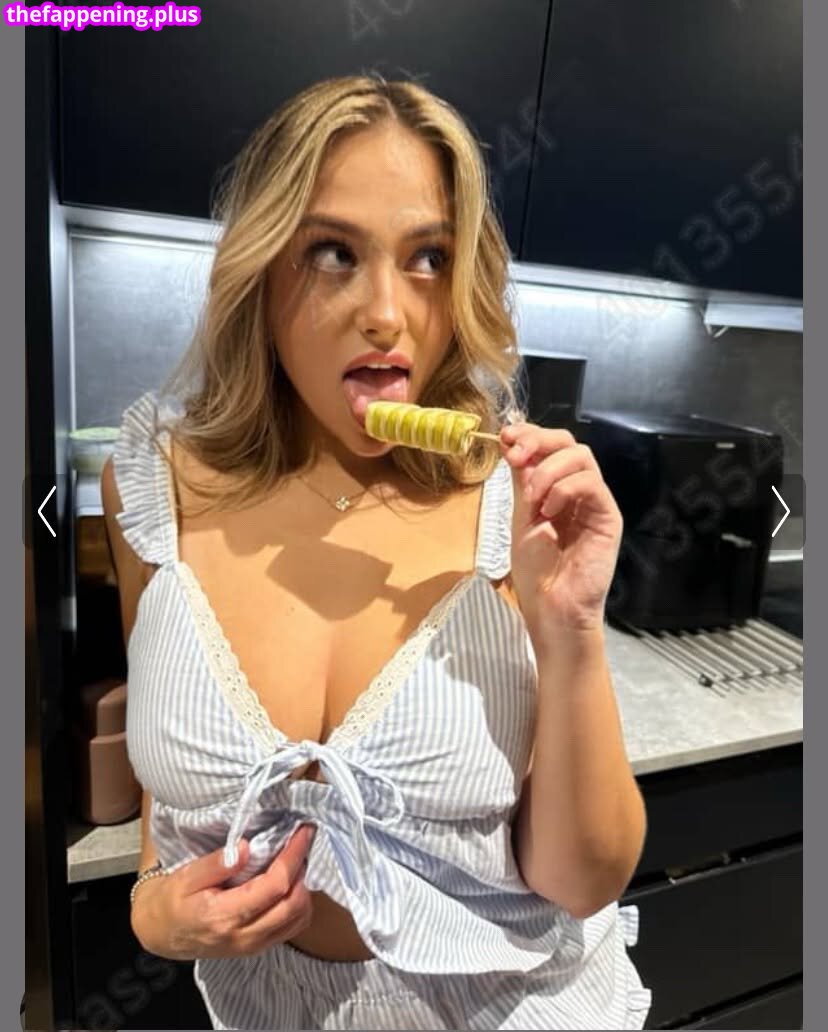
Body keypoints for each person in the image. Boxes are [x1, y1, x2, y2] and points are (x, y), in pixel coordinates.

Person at [101, 75, 652, 1030]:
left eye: (428, 257)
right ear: (260, 265)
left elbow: (581, 881)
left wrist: (572, 630)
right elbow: (171, 787)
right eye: (333, 253)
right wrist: (154, 906)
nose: (388, 313)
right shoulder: (154, 486)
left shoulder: (513, 509)